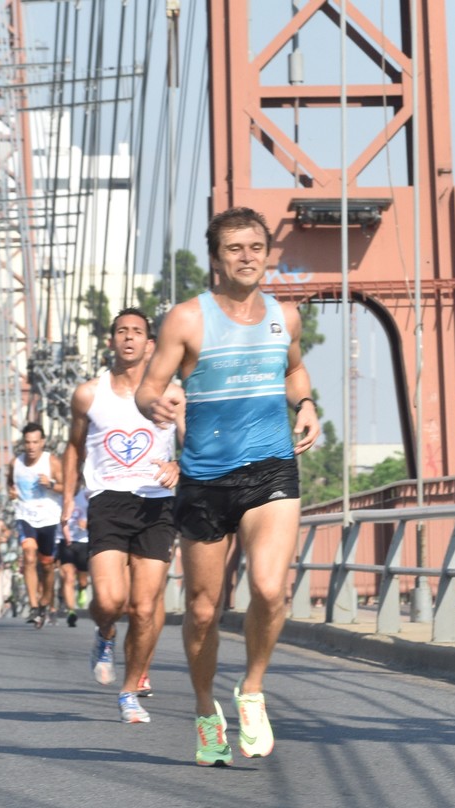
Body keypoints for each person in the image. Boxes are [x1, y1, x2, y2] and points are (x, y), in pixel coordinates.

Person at [137, 207, 318, 764]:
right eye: (234, 249)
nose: (246, 257)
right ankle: (202, 707)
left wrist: (306, 403)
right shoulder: (186, 320)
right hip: (205, 479)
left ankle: (253, 690)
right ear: (216, 258)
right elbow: (149, 387)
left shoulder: (283, 317)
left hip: (270, 467)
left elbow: (292, 370)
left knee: (269, 589)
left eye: (255, 247)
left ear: (268, 254)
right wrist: (158, 404)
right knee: (201, 609)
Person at [67, 307, 182, 726]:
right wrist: (69, 500)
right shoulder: (88, 394)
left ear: (151, 344)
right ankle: (105, 635)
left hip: (156, 503)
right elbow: (73, 448)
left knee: (146, 606)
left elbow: (195, 443)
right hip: (108, 502)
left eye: (138, 332)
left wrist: (180, 466)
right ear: (111, 341)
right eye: (122, 331)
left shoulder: (174, 393)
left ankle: (130, 691)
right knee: (111, 600)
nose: (129, 338)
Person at [9, 421, 64, 628]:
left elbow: (67, 487)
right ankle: (33, 606)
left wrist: (50, 484)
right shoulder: (16, 463)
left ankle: (45, 601)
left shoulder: (52, 462)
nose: (31, 447)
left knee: (47, 565)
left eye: (35, 442)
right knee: (29, 555)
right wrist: (12, 492)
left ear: (42, 442)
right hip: (25, 515)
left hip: (49, 518)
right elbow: (10, 483)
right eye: (27, 442)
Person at [56, 486, 92, 627]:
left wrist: (87, 524)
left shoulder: (87, 494)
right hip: (65, 541)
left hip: (84, 541)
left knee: (82, 580)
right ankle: (71, 611)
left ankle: (82, 589)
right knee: (68, 576)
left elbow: (98, 514)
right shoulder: (60, 496)